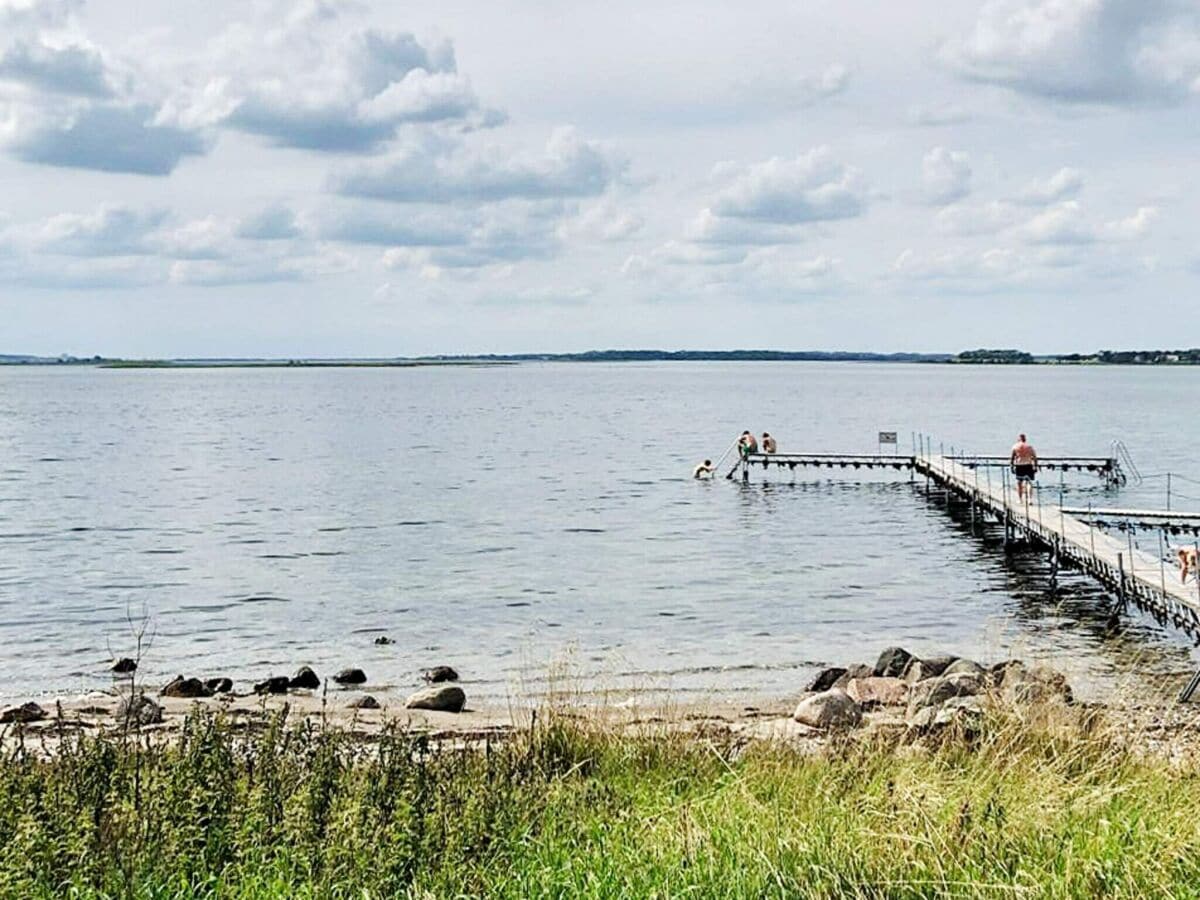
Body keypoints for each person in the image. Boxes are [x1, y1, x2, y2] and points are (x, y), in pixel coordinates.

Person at [1010, 433, 1038, 502]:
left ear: (1019, 439)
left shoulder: (1015, 447)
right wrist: (1035, 466)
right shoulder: (1029, 447)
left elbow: (1012, 458)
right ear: (1025, 439)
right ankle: (1030, 499)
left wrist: (1012, 467)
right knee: (1029, 482)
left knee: (1019, 483)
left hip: (1019, 465)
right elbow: (1034, 457)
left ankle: (1020, 499)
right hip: (1028, 465)